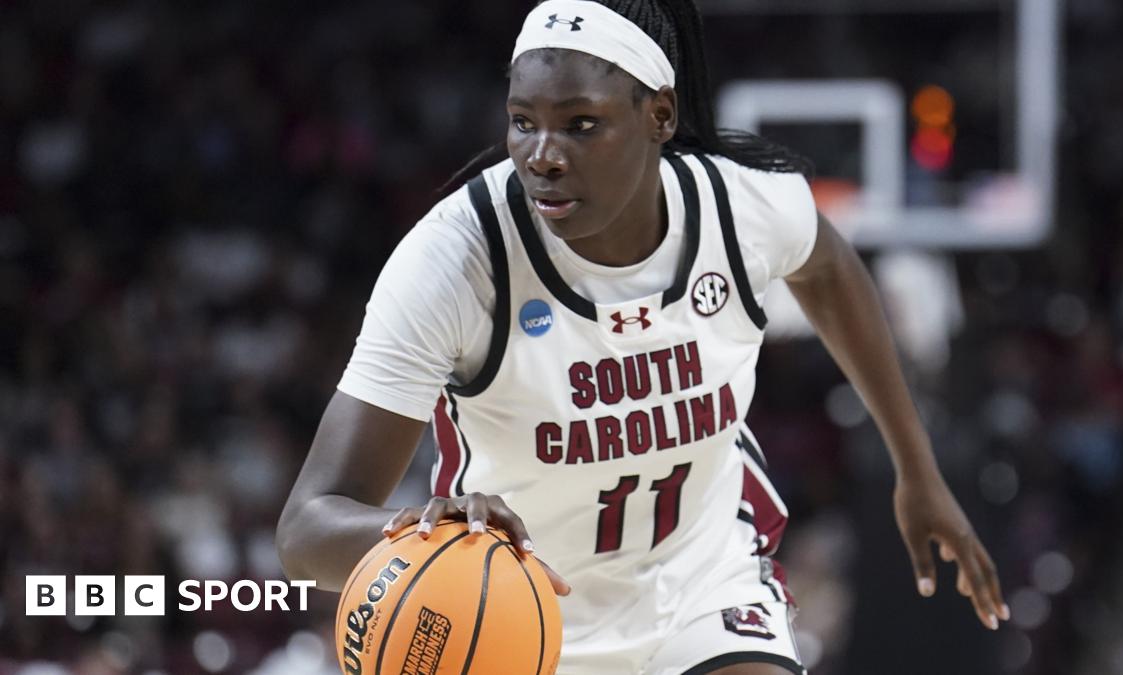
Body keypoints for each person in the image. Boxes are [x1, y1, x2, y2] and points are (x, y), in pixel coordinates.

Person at [276, 0, 1010, 672]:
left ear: (659, 115)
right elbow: (307, 529)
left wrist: (916, 467)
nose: (542, 154)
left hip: (704, 588)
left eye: (580, 124)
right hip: (521, 619)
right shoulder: (457, 259)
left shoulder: (740, 207)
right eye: (523, 121)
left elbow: (829, 267)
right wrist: (413, 533)